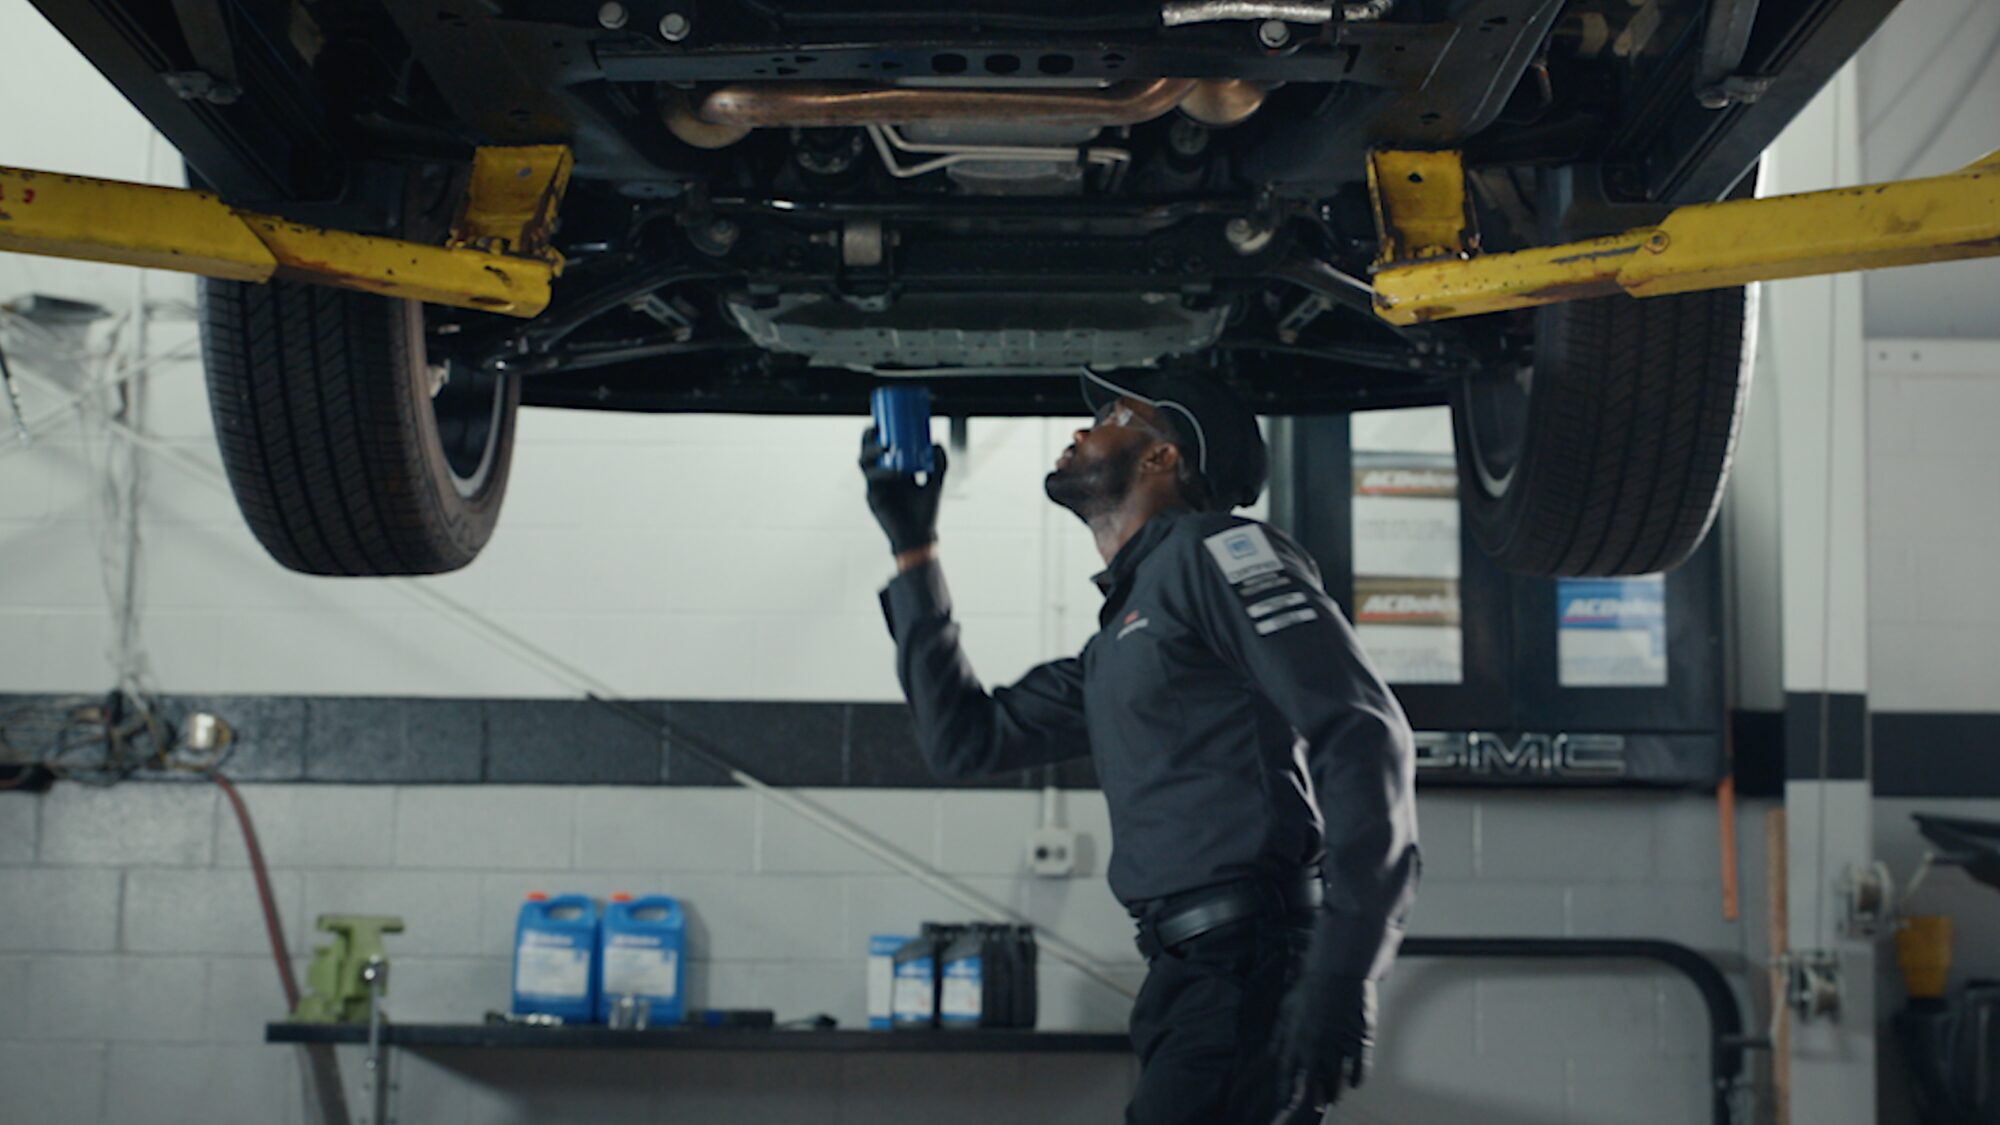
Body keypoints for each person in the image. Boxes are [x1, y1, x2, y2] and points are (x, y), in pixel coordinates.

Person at [861, 371, 1419, 1125]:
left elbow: (1361, 729)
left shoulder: (1216, 550)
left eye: (1112, 415)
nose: (1083, 429)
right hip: (1189, 973)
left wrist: (1347, 967)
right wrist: (913, 547)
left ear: (1163, 457)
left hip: (1248, 962)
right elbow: (966, 740)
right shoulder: (1123, 633)